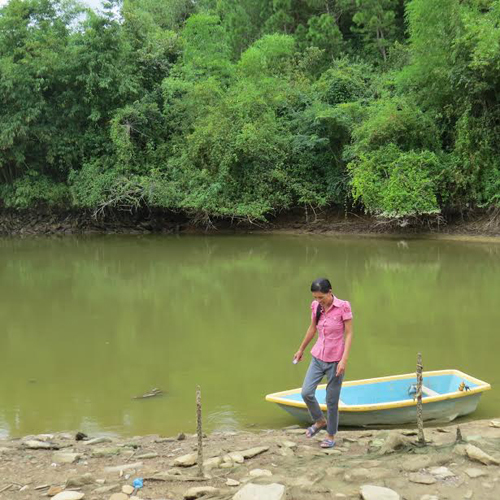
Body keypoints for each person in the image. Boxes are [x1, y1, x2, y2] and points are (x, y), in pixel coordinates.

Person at [293, 278, 353, 448]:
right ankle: (319, 421)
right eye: (315, 297)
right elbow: (312, 328)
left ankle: (330, 435)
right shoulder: (315, 307)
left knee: (331, 401)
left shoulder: (343, 307)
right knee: (306, 392)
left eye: (321, 297)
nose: (318, 300)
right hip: (318, 357)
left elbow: (349, 334)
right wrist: (301, 349)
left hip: (336, 361)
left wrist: (344, 360)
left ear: (330, 291)